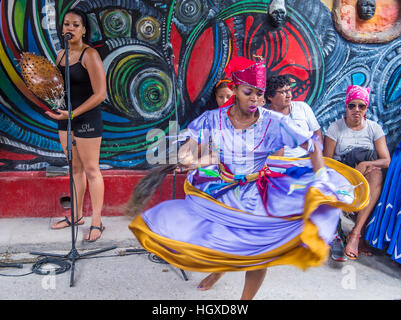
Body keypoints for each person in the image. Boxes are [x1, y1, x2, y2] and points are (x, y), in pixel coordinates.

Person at [127, 57, 369, 299]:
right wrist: (186, 156)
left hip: (258, 192)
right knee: (218, 241)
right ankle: (219, 271)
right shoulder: (214, 119)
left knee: (258, 253)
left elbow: (313, 146)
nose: (254, 98)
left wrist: (319, 178)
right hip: (220, 187)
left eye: (259, 93)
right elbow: (191, 146)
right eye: (248, 92)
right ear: (234, 90)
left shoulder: (275, 122)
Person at [46, 9, 107, 242]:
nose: (69, 28)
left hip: (86, 119)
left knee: (92, 170)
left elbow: (100, 94)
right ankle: (77, 216)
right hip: (65, 119)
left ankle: (97, 222)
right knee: (75, 169)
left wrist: (73, 113)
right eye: (66, 24)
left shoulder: (89, 55)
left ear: (83, 30)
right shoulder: (61, 55)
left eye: (75, 25)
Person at [324, 85, 391, 260]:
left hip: (364, 172)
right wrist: (348, 173)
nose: (356, 110)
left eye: (361, 106)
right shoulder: (335, 128)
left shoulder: (373, 128)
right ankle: (336, 233)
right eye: (352, 105)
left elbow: (386, 160)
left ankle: (355, 233)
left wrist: (366, 163)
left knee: (376, 174)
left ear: (366, 108)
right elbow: (326, 160)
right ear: (346, 106)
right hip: (342, 170)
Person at [264, 75, 322, 158]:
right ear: (270, 97)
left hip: (307, 159)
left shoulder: (302, 107)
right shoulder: (264, 118)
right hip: (281, 163)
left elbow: (317, 132)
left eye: (289, 90)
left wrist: (317, 156)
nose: (289, 95)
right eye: (283, 92)